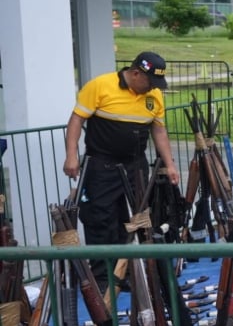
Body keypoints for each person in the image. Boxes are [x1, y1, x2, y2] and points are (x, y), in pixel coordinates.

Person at [63, 51, 180, 291]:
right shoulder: (100, 86)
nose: (152, 88)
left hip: (135, 165)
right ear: (136, 73)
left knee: (136, 219)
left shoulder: (154, 96)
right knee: (99, 218)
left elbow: (159, 131)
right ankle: (101, 276)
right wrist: (71, 156)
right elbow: (76, 120)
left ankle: (125, 272)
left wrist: (170, 164)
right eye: (149, 82)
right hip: (101, 165)